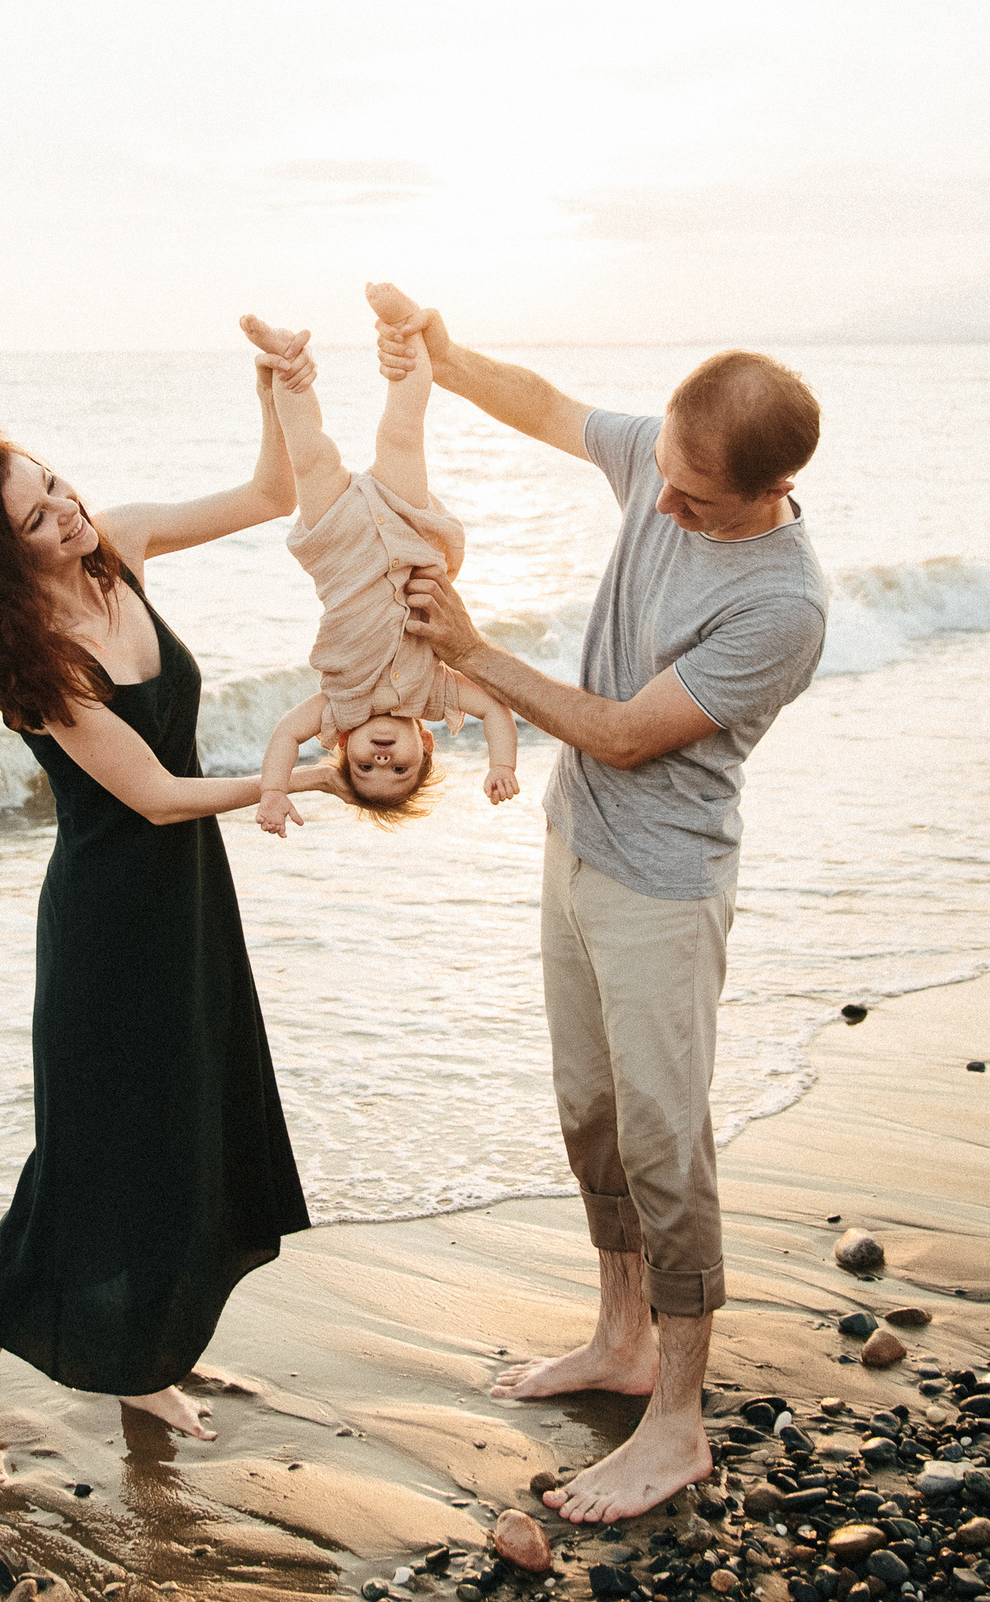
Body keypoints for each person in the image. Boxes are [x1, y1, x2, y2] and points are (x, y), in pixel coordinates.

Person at [375, 287, 829, 1522]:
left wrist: (471, 651)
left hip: (663, 887)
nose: (662, 503)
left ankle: (676, 1420)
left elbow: (626, 734)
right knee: (589, 1116)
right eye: (661, 472)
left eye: (693, 497)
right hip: (574, 845)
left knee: (664, 1145)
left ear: (772, 487)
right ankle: (621, 1335)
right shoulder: (668, 457)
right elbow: (551, 408)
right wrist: (448, 359)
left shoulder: (783, 604)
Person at [0, 342, 339, 1478]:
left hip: (189, 903)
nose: (66, 510)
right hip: (109, 925)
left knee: (179, 1133)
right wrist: (301, 777)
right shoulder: (32, 660)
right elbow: (152, 795)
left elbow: (271, 493)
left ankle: (142, 1363)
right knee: (85, 1154)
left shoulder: (124, 545)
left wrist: (274, 394)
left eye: (53, 482)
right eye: (35, 516)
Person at [244, 285, 521, 834]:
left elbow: (286, 735)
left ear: (343, 746)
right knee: (402, 433)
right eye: (399, 768)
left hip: (339, 549)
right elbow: (495, 709)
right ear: (425, 744)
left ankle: (286, 358)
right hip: (410, 533)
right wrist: (501, 765)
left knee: (308, 453)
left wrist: (274, 792)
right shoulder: (435, 693)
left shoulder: (335, 708)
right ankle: (403, 328)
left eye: (365, 768)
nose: (382, 758)